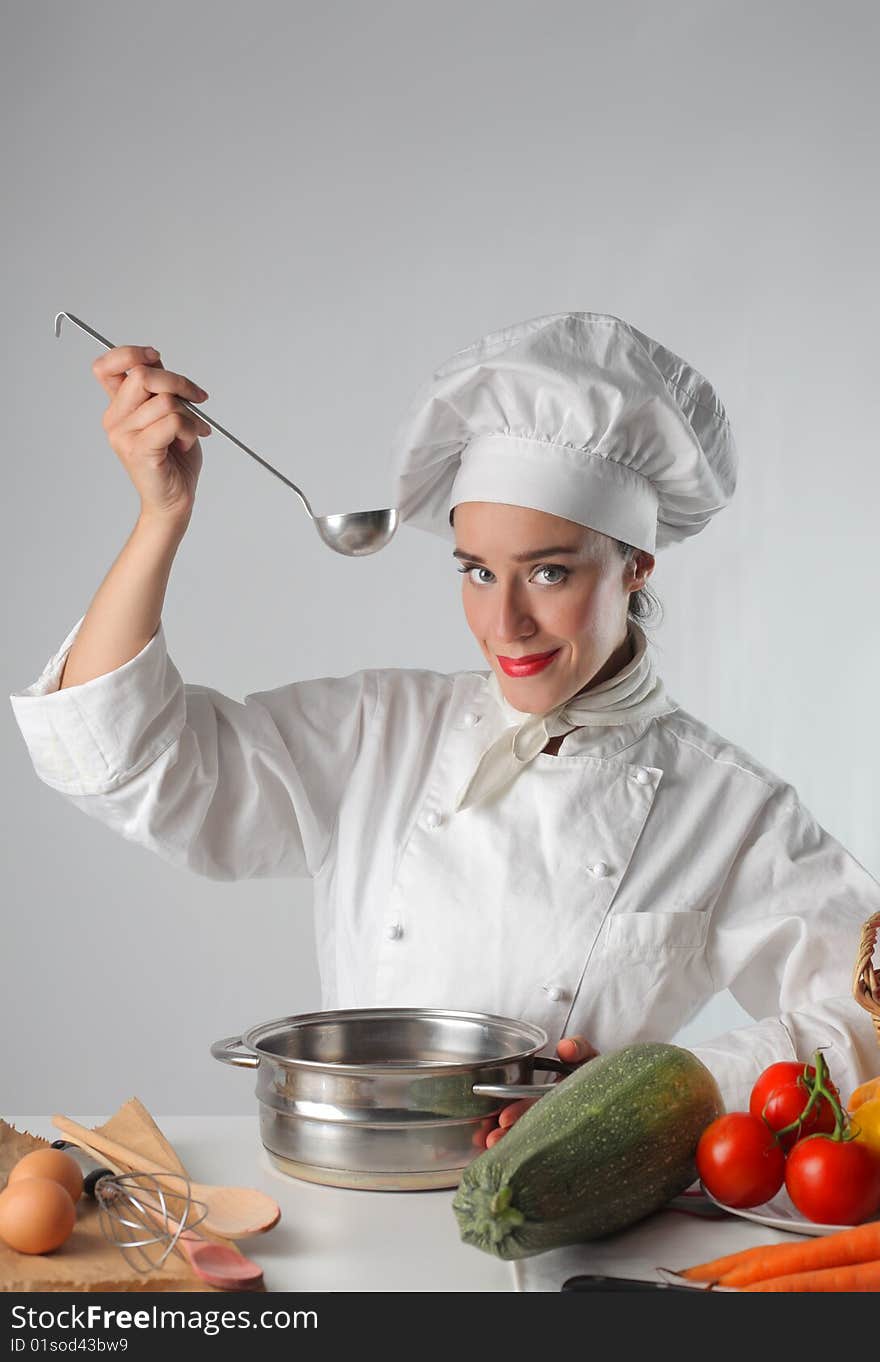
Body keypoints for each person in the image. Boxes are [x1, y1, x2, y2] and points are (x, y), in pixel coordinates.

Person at [11, 312, 880, 1151]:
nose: (506, 623)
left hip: (576, 1227)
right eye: (475, 571)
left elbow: (869, 1022)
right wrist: (161, 517)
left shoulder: (729, 805)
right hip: (354, 1183)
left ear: (637, 561)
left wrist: (655, 1091)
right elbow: (125, 756)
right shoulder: (379, 733)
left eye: (549, 571)